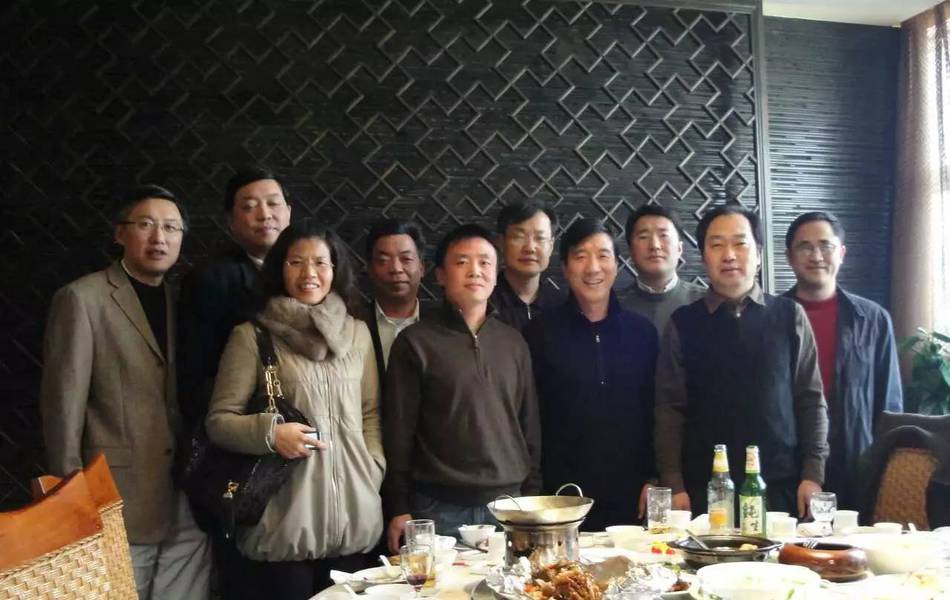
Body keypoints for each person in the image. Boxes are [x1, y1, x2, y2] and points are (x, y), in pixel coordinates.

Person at [40, 185, 211, 599]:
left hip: (181, 487)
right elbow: (63, 402)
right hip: (114, 491)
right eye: (146, 224)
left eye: (171, 228)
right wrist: (68, 492)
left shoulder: (180, 299)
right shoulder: (83, 298)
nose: (159, 238)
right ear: (120, 233)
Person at [205, 220, 383, 599]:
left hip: (355, 520)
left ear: (335, 269)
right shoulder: (252, 336)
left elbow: (370, 413)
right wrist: (270, 434)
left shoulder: (358, 334)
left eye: (320, 262)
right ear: (279, 269)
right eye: (296, 262)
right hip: (283, 527)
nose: (309, 274)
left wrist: (372, 469)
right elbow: (219, 422)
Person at [654, 204, 829, 518]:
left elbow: (810, 400)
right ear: (703, 256)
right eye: (717, 245)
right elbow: (669, 408)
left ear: (758, 254)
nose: (729, 255)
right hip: (704, 491)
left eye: (740, 243)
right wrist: (673, 482)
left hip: (780, 487)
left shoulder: (789, 316)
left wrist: (812, 474)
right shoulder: (683, 323)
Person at [383, 224, 542, 550]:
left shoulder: (514, 343)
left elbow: (529, 427)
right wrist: (398, 505)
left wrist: (533, 498)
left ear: (495, 275)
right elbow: (398, 432)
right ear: (440, 275)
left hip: (509, 505)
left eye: (485, 262)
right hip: (438, 507)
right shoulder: (415, 342)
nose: (475, 271)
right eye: (462, 262)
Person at [525, 219, 658, 531]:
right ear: (565, 267)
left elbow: (657, 409)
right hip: (560, 495)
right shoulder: (538, 334)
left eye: (603, 255)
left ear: (617, 265)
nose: (593, 267)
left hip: (633, 493)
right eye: (581, 256)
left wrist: (655, 477)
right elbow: (529, 418)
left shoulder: (643, 333)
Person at [783, 211, 903, 509]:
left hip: (855, 464)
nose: (816, 256)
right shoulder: (772, 318)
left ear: (842, 253)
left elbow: (889, 404)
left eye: (826, 245)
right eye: (805, 247)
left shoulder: (872, 319)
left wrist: (885, 468)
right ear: (789, 257)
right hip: (787, 462)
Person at [178, 165, 292, 431]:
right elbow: (197, 372)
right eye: (250, 207)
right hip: (246, 426)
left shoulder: (312, 274)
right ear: (231, 221)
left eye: (273, 203)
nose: (265, 215)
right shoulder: (209, 279)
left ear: (289, 212)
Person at [617, 203, 705, 334]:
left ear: (679, 248)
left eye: (663, 235)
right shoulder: (613, 307)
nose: (655, 245)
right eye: (643, 237)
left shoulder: (708, 303)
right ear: (631, 251)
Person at [362, 218, 427, 388]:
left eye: (406, 259)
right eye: (383, 261)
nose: (396, 269)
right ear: (370, 269)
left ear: (422, 267)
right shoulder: (353, 325)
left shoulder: (443, 325)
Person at [490, 200, 562, 331]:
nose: (530, 248)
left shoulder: (562, 305)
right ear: (501, 242)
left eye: (540, 238)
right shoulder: (485, 302)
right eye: (519, 237)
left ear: (551, 246)